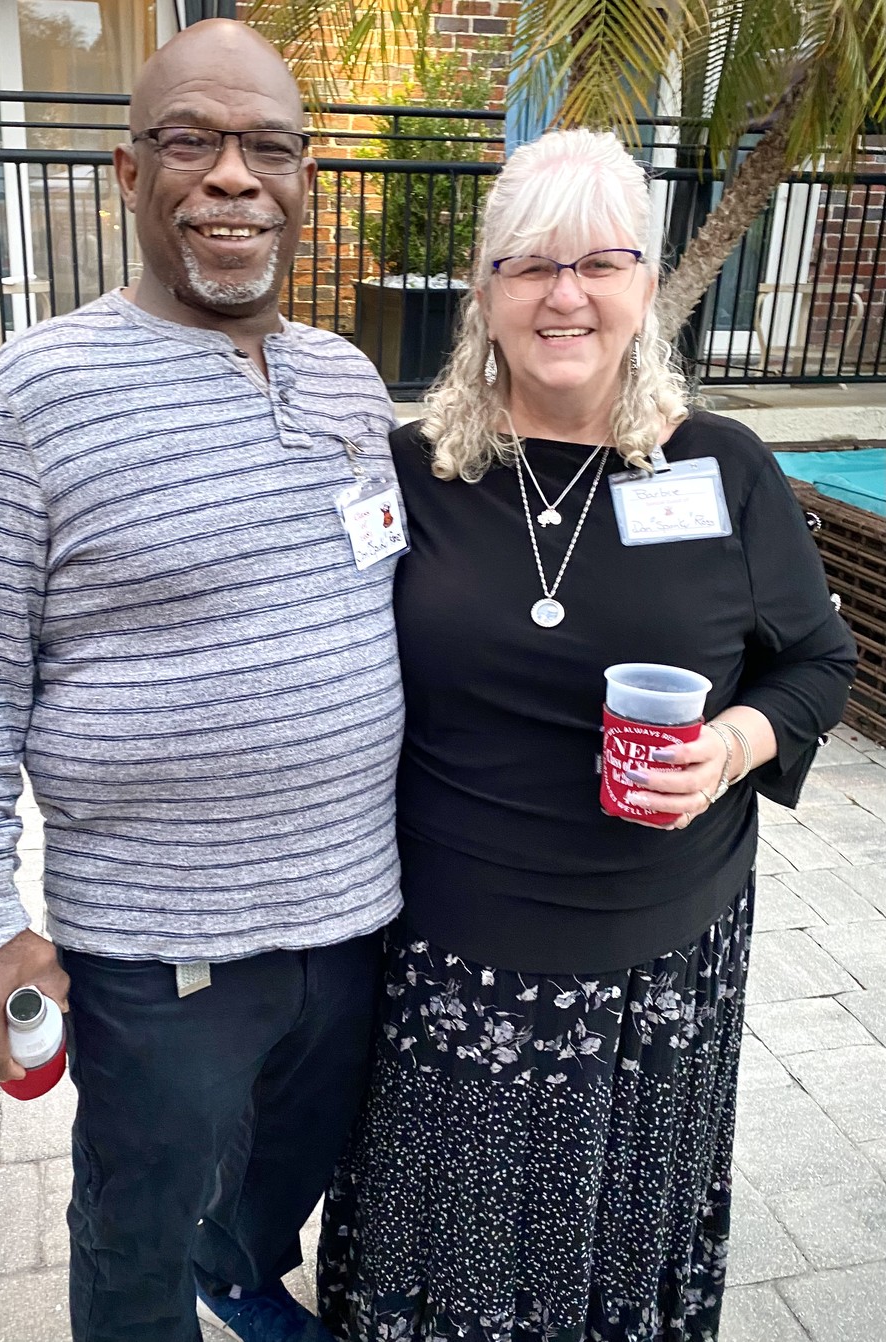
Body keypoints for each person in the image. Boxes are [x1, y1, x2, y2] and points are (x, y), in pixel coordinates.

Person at [0, 20, 406, 1342]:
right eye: (192, 141)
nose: (234, 175)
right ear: (131, 172)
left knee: (288, 1166)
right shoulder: (33, 395)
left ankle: (237, 1276)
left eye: (269, 148)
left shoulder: (349, 383)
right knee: (141, 1215)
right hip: (162, 941)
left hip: (358, 913)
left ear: (303, 182)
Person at [317, 129, 856, 1342]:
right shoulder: (408, 474)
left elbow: (819, 663)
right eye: (529, 264)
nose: (565, 294)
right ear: (484, 290)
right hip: (447, 952)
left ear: (645, 282)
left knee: (609, 1248)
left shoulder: (722, 466)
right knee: (444, 1248)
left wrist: (732, 745)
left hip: (654, 964)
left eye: (600, 262)